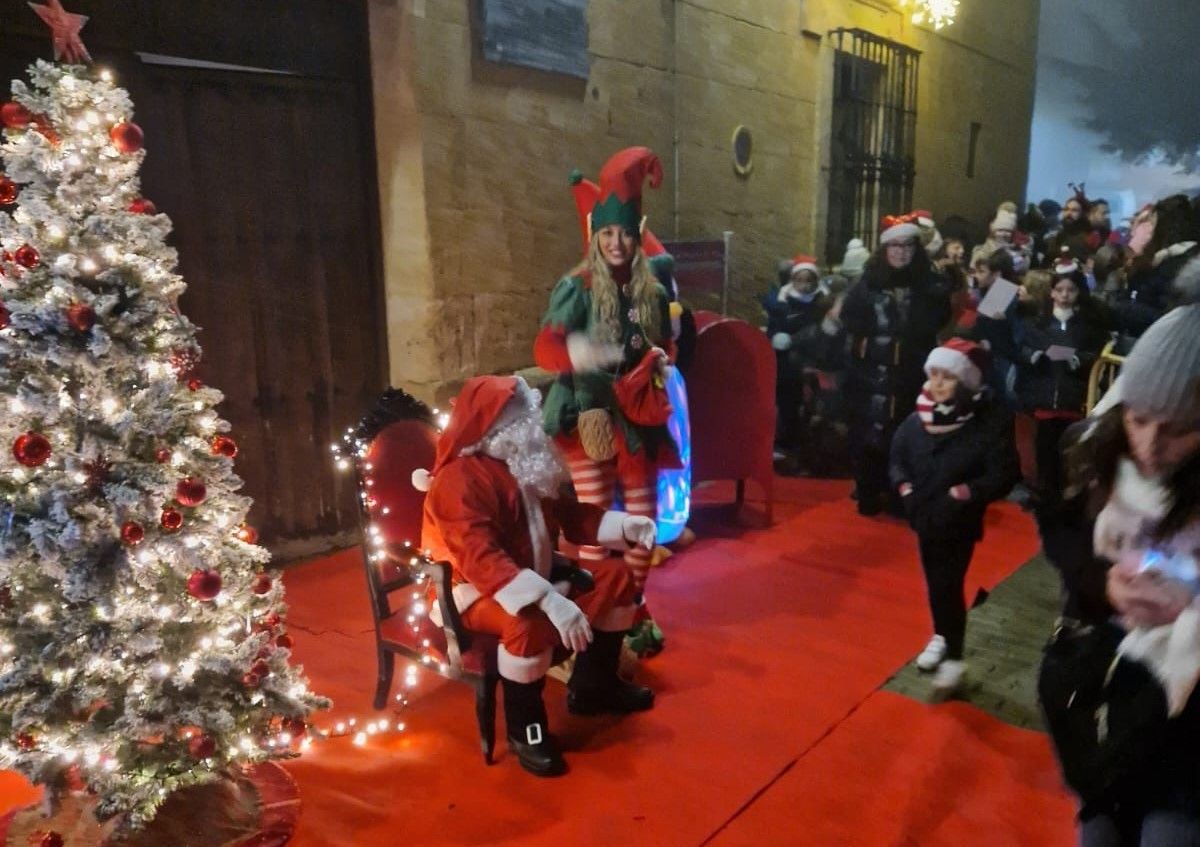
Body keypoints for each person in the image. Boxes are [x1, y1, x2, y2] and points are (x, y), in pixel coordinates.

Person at [417, 375, 659, 777]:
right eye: (524, 415)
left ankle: (594, 685)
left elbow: (570, 516)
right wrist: (548, 599)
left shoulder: (525, 462)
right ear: (493, 426)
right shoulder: (459, 481)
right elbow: (480, 560)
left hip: (532, 574)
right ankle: (525, 729)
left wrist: (625, 525)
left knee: (615, 575)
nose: (535, 421)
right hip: (472, 590)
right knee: (525, 626)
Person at [1046, 304, 1200, 844]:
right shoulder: (1096, 450)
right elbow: (1064, 538)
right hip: (1111, 700)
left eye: (1178, 430)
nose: (1149, 446)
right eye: (1138, 418)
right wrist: (1103, 584)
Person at [537, 146, 678, 657]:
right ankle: (594, 617)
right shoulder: (576, 287)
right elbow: (545, 347)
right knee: (594, 527)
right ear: (596, 236)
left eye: (624, 233)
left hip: (637, 417)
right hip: (587, 417)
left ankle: (632, 606)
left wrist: (662, 356)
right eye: (607, 234)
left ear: (636, 234)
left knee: (643, 521)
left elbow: (667, 341)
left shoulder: (651, 291)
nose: (617, 243)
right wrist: (581, 351)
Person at [889, 339, 1019, 697]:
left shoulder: (986, 423)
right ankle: (942, 634)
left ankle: (954, 657)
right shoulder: (918, 419)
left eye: (947, 377)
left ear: (964, 383)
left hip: (958, 518)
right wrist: (905, 490)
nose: (937, 384)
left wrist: (964, 493)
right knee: (936, 582)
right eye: (934, 375)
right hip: (924, 515)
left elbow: (1004, 473)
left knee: (947, 582)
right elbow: (897, 457)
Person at [841, 215, 951, 516]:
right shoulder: (867, 283)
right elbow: (850, 321)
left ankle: (900, 492)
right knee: (868, 436)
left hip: (911, 373)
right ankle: (868, 489)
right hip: (871, 375)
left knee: (906, 435)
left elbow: (937, 321)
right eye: (895, 246)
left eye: (908, 246)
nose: (901, 252)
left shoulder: (928, 285)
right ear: (885, 249)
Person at [1017, 255, 1110, 501]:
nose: (1065, 295)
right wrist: (1033, 355)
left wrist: (1079, 358)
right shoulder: (1038, 323)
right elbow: (1022, 347)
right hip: (1044, 391)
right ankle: (1043, 491)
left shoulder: (1086, 326)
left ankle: (1063, 493)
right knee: (1043, 447)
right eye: (1060, 289)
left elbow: (1095, 352)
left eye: (1071, 290)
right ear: (1051, 293)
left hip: (1071, 394)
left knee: (1067, 448)